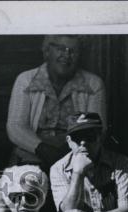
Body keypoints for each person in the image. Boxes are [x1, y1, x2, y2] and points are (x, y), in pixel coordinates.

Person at [6, 35, 106, 168]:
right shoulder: (25, 80)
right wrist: (42, 149)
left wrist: (67, 154)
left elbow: (97, 129)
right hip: (31, 155)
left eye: (73, 51)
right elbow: (15, 127)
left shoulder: (93, 84)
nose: (66, 55)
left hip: (75, 156)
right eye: (61, 49)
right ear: (47, 51)